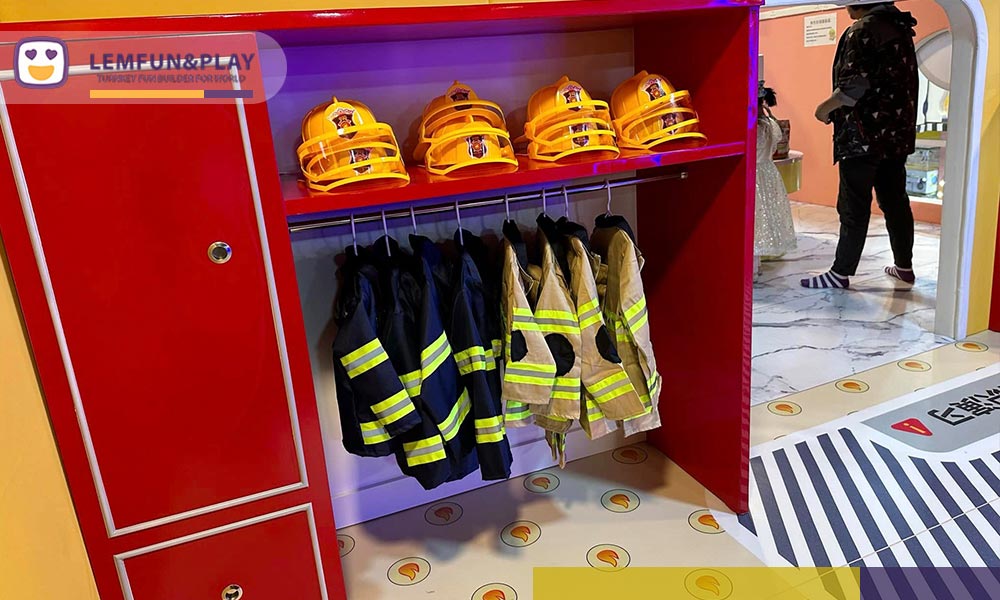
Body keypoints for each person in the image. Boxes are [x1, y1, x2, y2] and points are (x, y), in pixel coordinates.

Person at [800, 1, 918, 289]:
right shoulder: (900, 28)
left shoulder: (863, 29)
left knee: (853, 204)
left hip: (862, 136)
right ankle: (904, 267)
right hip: (896, 135)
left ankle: (840, 272)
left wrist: (823, 109)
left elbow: (852, 88)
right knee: (895, 201)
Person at [754, 83, 797, 281]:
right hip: (768, 173)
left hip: (754, 176)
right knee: (764, 221)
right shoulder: (770, 124)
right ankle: (756, 266)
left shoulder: (755, 127)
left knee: (756, 222)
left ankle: (752, 267)